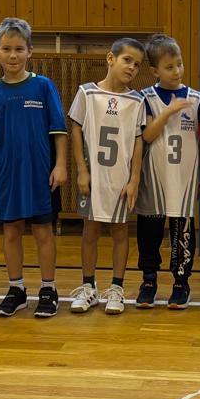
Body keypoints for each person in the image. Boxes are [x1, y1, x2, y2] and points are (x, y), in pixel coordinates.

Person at [0, 18, 67, 319]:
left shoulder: (43, 86)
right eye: (6, 49)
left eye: (18, 49)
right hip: (7, 175)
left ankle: (48, 289)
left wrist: (61, 165)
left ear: (30, 51)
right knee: (11, 231)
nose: (13, 55)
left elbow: (59, 130)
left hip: (41, 173)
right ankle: (16, 289)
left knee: (43, 231)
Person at [69, 38, 148, 316]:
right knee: (90, 229)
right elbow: (75, 129)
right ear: (110, 58)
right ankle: (88, 286)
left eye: (137, 65)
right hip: (94, 176)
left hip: (120, 178)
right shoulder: (87, 93)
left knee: (120, 230)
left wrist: (134, 179)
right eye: (127, 60)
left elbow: (138, 141)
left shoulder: (137, 100)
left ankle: (116, 287)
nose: (132, 68)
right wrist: (82, 170)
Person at [135, 34, 200, 310]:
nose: (177, 71)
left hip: (184, 178)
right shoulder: (146, 98)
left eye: (179, 64)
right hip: (154, 177)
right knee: (149, 232)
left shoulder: (195, 98)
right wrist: (168, 112)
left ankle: (181, 282)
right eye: (169, 67)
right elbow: (148, 135)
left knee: (182, 233)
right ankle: (149, 280)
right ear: (155, 71)